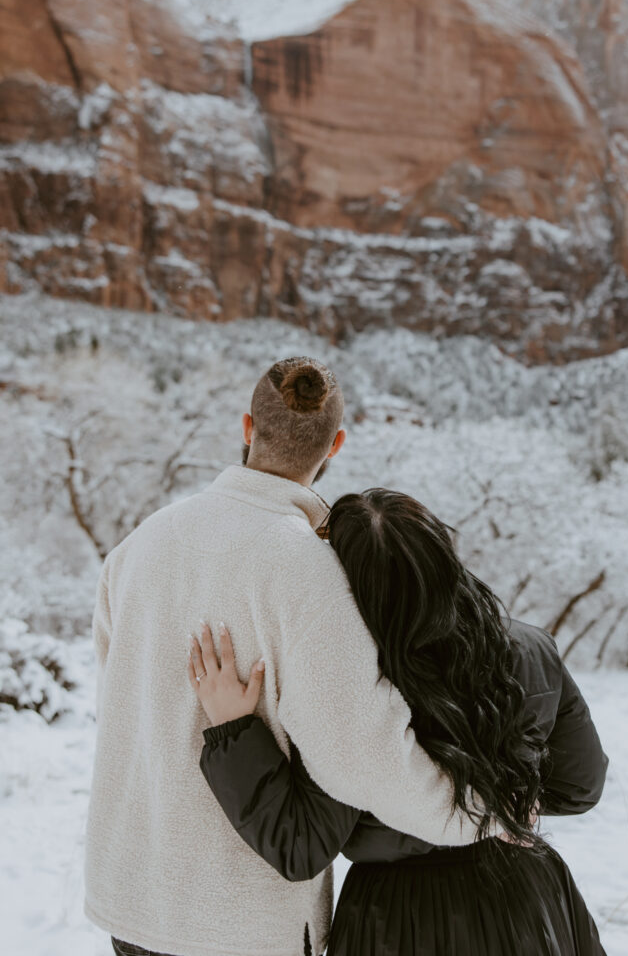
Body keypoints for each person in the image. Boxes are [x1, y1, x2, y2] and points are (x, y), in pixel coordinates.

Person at [84, 358, 502, 956]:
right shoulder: (311, 571)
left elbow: (122, 697)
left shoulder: (138, 546)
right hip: (236, 920)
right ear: (336, 444)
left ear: (249, 426)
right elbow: (361, 755)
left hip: (131, 895)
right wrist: (481, 814)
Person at [188, 488, 609, 956]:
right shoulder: (529, 648)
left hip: (395, 920)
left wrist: (234, 732)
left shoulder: (348, 684)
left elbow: (299, 844)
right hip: (529, 903)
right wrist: (499, 808)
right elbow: (579, 786)